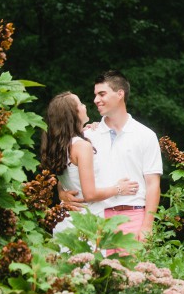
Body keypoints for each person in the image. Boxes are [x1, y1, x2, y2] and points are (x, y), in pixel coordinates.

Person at [59, 70, 163, 241]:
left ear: (120, 94)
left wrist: (147, 225)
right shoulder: (87, 136)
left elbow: (153, 185)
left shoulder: (146, 135)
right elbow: (66, 172)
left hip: (133, 217)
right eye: (95, 95)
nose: (95, 100)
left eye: (102, 94)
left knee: (130, 269)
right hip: (96, 219)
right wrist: (62, 193)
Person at [40, 91, 138, 235]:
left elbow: (66, 177)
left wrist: (62, 193)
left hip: (66, 220)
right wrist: (119, 188)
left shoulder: (61, 145)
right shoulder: (81, 146)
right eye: (80, 103)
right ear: (73, 113)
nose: (85, 105)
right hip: (86, 222)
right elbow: (90, 194)